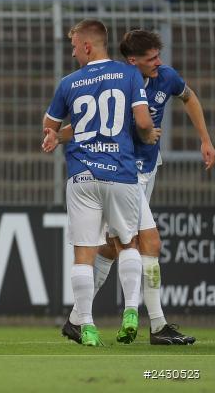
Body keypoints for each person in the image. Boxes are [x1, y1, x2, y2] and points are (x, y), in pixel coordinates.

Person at [54, 29, 212, 345]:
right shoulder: (121, 79)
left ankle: (76, 319)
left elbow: (189, 97)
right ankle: (157, 325)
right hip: (124, 172)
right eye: (151, 59)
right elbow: (96, 122)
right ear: (132, 61)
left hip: (148, 169)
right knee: (149, 243)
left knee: (115, 247)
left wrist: (205, 139)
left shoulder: (165, 77)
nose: (158, 63)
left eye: (158, 56)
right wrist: (57, 135)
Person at [41, 20, 158, 347]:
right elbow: (143, 121)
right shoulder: (129, 74)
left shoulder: (69, 83)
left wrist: (54, 136)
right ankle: (132, 311)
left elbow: (50, 126)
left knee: (84, 254)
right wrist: (148, 136)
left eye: (75, 46)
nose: (74, 52)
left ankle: (88, 326)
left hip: (82, 177)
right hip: (121, 174)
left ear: (88, 46)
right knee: (127, 243)